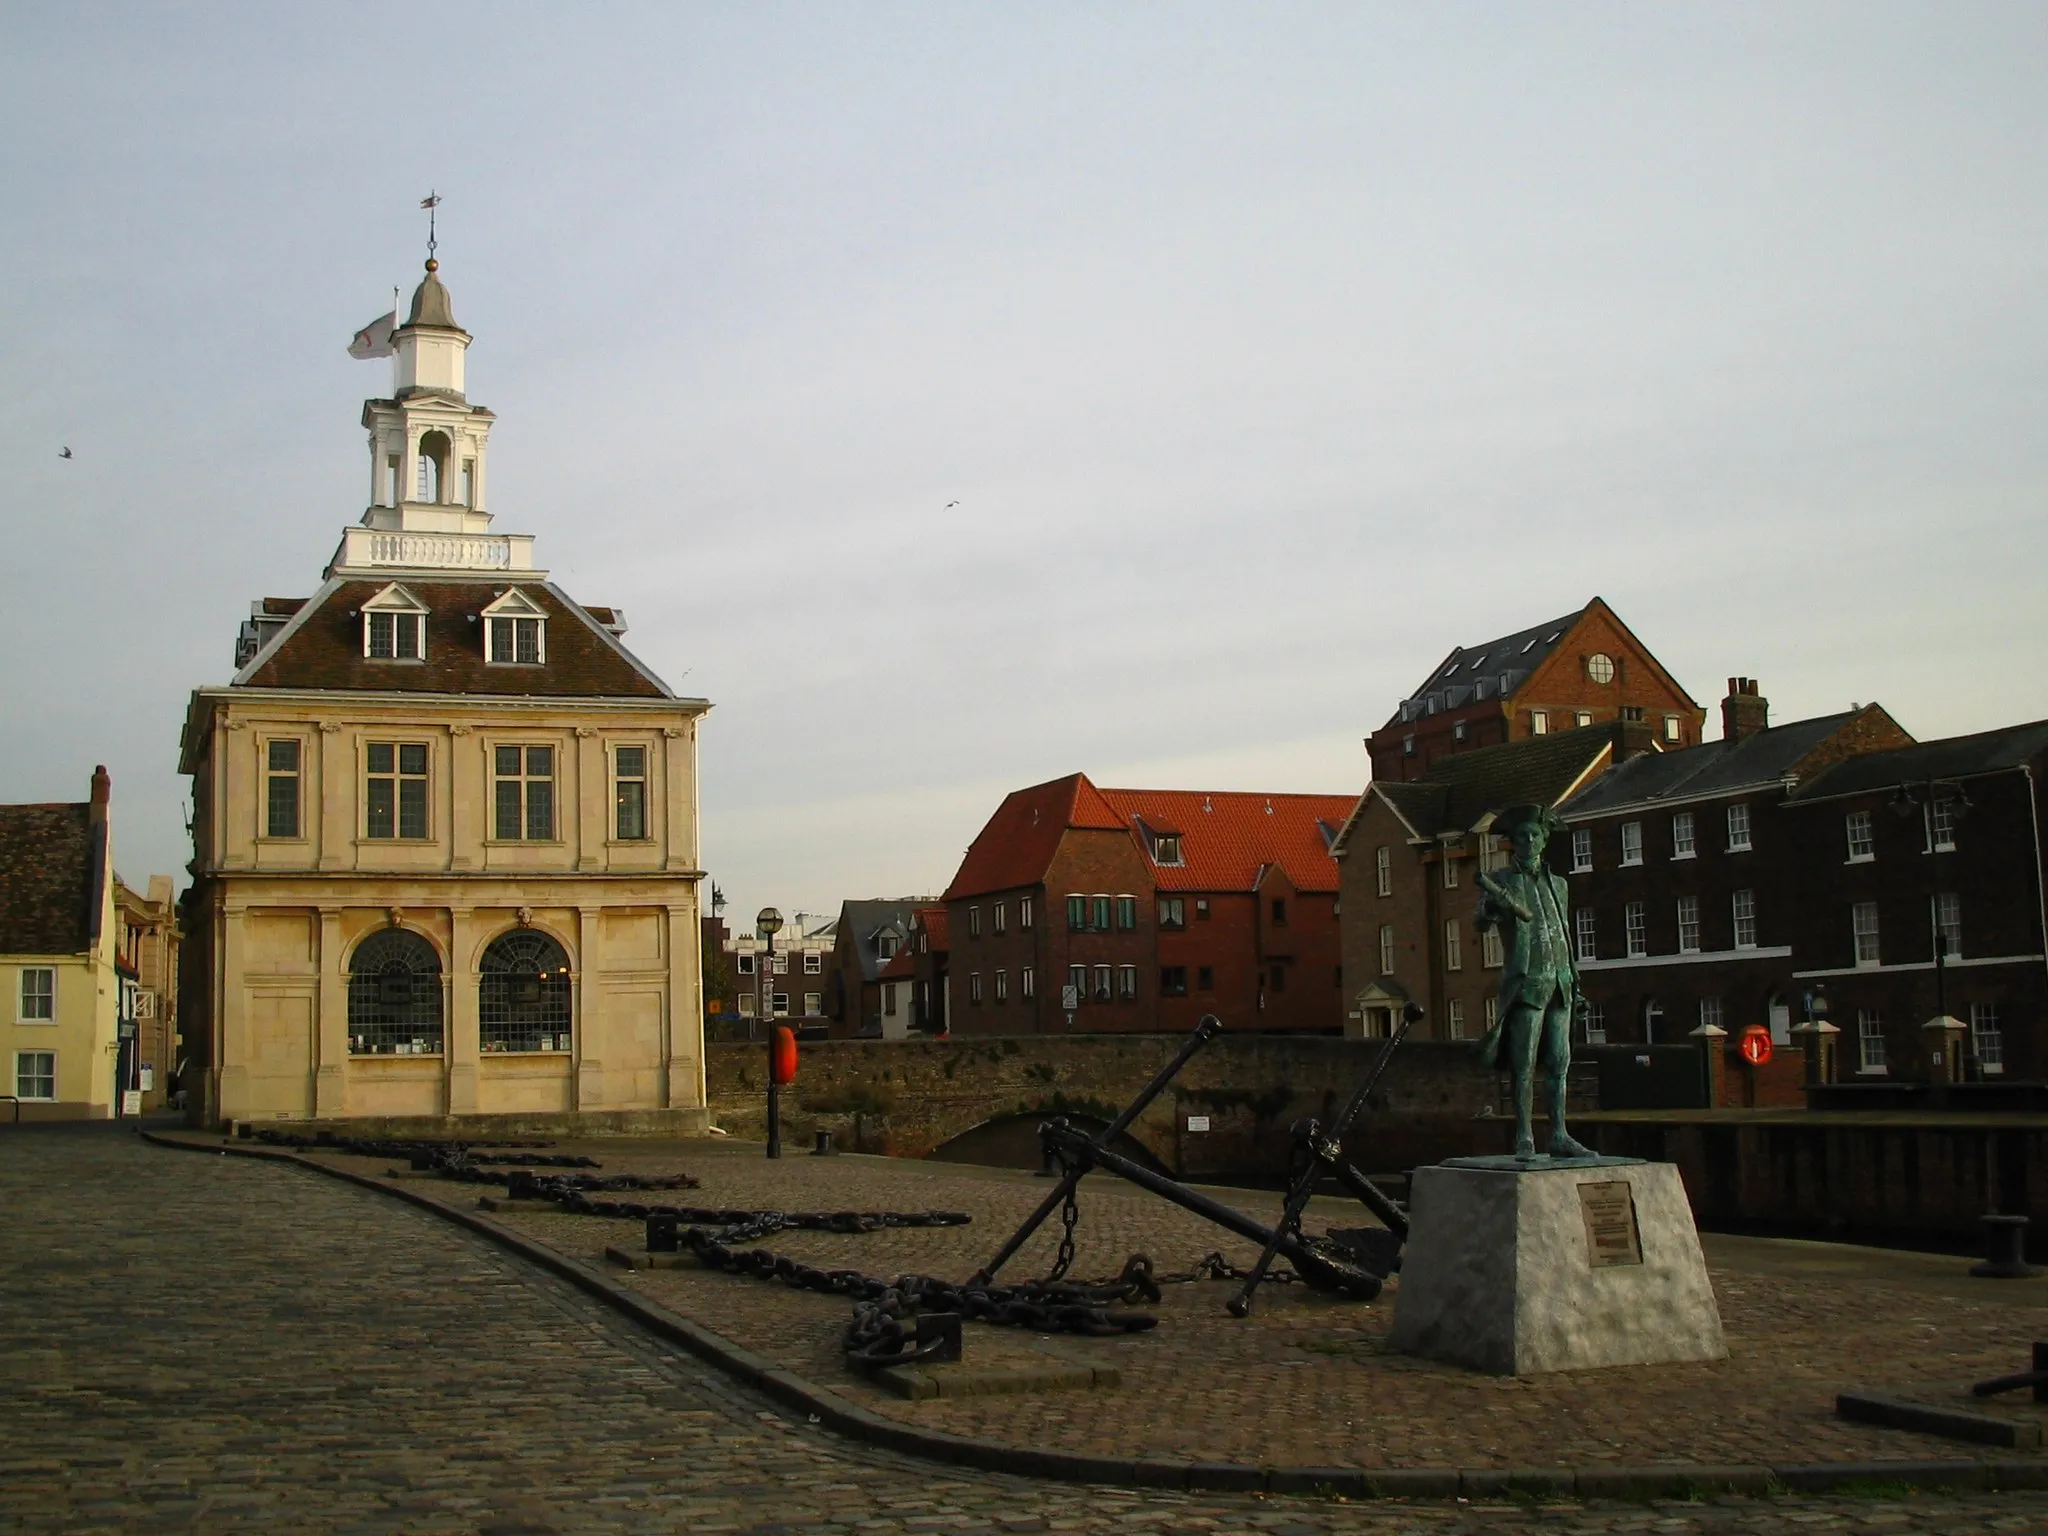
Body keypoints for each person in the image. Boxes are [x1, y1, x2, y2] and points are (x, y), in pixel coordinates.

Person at [1474, 803, 1593, 1160]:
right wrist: (1494, 909)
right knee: (1523, 1063)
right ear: (1512, 842)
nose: (1529, 840)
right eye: (1522, 835)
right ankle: (1524, 1135)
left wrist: (1575, 979)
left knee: (1560, 1061)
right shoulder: (1501, 881)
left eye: (1535, 834)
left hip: (1560, 980)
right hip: (1527, 981)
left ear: (1544, 839)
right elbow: (1480, 922)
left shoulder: (1559, 884)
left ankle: (1559, 1133)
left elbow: (1565, 933)